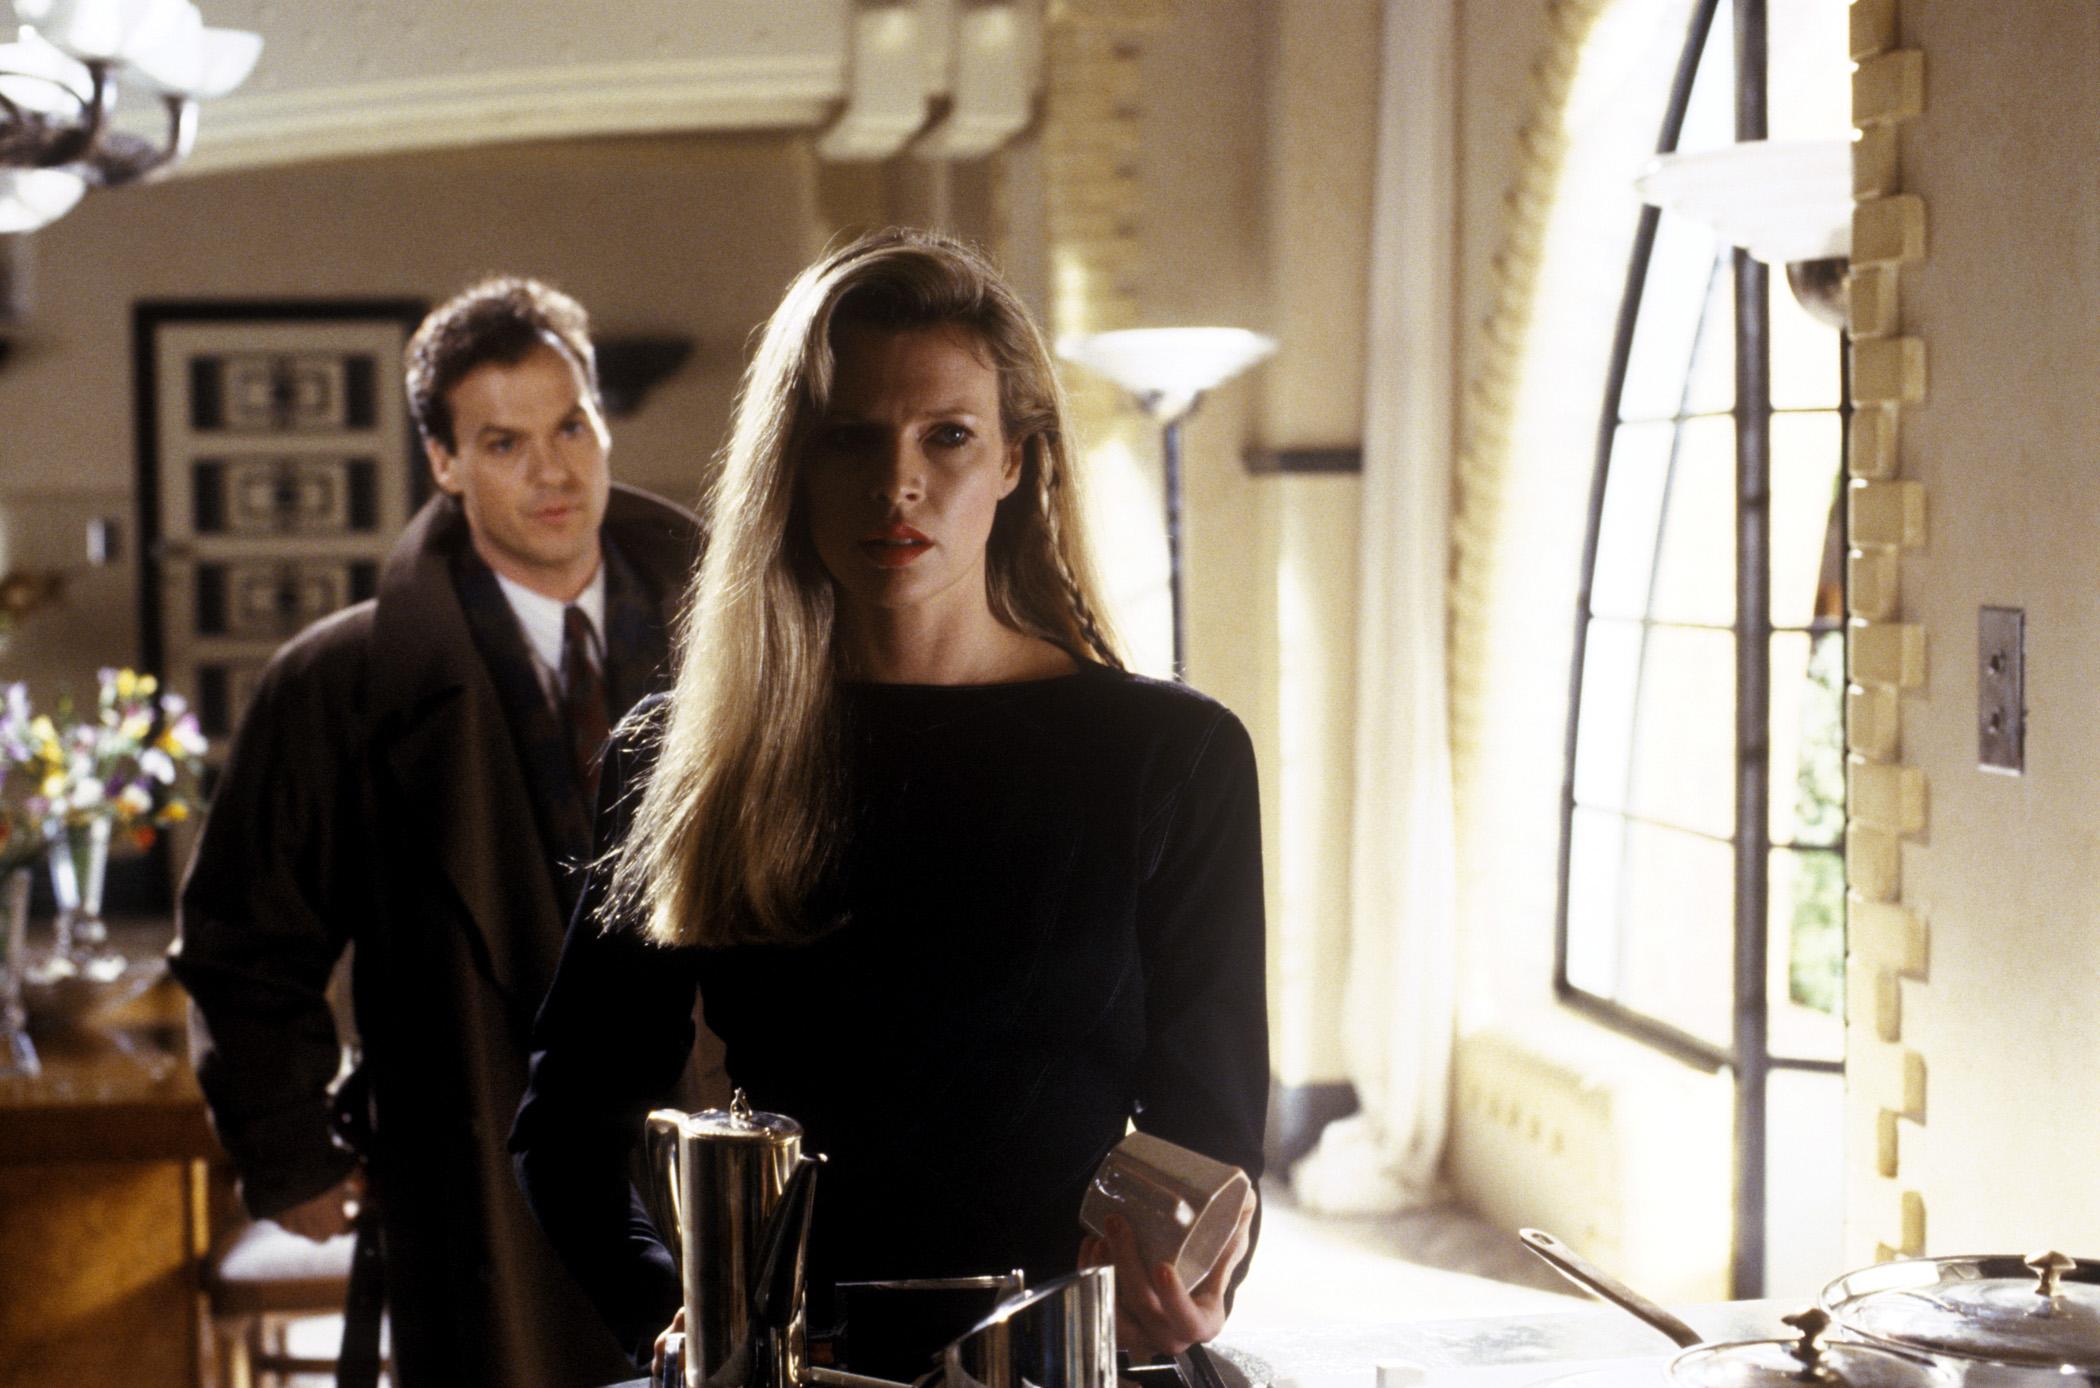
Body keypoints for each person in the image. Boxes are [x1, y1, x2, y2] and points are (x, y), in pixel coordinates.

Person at [510, 228, 1268, 1376]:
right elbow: (568, 1123)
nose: (897, 482)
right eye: (850, 436)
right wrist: (673, 1311)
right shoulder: (688, 755)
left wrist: (1185, 1283)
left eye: (947, 435)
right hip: (801, 1359)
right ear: (793, 465)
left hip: (1065, 1353)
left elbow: (1210, 1132)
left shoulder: (1173, 755)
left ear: (1016, 461)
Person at [171, 276, 706, 1388]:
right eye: (505, 442)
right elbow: (244, 937)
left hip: (718, 1150)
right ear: (445, 463)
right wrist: (292, 1151)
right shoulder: (338, 680)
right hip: (478, 1184)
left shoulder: (746, 645)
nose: (553, 472)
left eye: (571, 426)